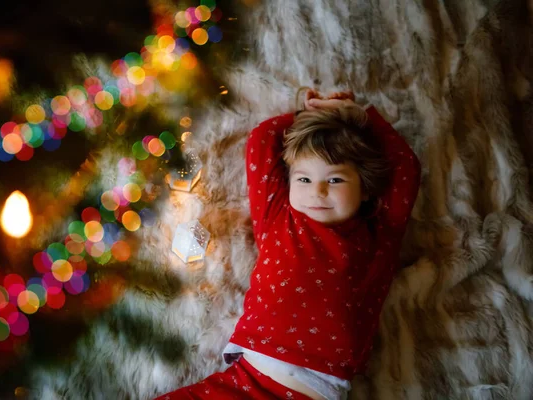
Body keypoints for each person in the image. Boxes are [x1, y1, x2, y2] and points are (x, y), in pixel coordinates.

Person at [155, 89, 421, 400]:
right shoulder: (278, 217)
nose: (317, 191)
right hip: (244, 379)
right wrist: (304, 116)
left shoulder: (376, 237)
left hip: (314, 390)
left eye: (335, 180)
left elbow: (406, 168)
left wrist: (359, 116)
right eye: (304, 180)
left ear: (364, 189)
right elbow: (260, 140)